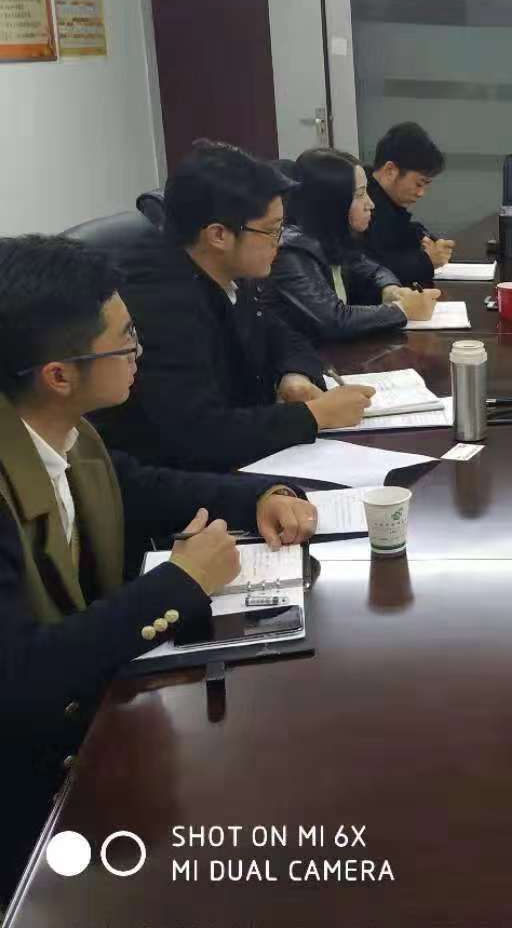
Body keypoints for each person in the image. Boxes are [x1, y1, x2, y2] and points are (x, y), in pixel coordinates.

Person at [0, 235, 318, 901]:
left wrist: (257, 496)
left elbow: (135, 483)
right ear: (59, 375)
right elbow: (21, 674)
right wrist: (177, 583)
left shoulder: (55, 429)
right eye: (125, 340)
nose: (139, 352)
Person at [93, 141, 374, 471]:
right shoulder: (164, 307)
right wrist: (314, 415)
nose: (280, 241)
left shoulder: (228, 275)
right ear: (219, 236)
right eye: (271, 231)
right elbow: (200, 435)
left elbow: (282, 336)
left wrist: (294, 376)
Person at [262, 148, 441, 341]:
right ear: (333, 202)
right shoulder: (292, 251)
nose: (370, 204)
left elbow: (375, 271)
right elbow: (334, 320)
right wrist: (402, 309)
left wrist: (391, 290)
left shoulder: (333, 239)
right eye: (360, 194)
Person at [364, 122, 454, 287]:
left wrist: (422, 237)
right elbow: (371, 269)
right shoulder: (363, 206)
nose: (421, 193)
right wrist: (427, 261)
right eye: (419, 184)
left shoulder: (384, 199)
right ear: (390, 170)